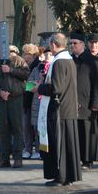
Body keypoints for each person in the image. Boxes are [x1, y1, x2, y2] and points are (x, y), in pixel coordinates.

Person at [35, 33, 82, 186]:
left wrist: (39, 88)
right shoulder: (68, 60)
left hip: (60, 110)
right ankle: (66, 175)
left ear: (54, 45)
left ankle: (61, 176)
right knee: (66, 144)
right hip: (66, 108)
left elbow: (57, 88)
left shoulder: (60, 62)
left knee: (60, 144)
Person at [0, 40, 30, 169]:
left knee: (17, 128)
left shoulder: (18, 60)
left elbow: (26, 74)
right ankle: (4, 158)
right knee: (3, 128)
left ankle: (17, 158)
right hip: (1, 99)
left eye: (1, 47)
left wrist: (11, 70)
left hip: (16, 98)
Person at [69, 32, 98, 169]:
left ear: (83, 44)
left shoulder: (93, 61)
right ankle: (75, 158)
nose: (72, 46)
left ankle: (87, 160)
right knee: (74, 132)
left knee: (87, 133)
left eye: (75, 43)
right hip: (71, 103)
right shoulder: (69, 60)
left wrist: (95, 103)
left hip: (87, 103)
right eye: (71, 43)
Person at [21, 43, 41, 160]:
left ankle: (38, 149)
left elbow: (29, 85)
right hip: (26, 100)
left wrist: (27, 85)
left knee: (36, 127)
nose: (24, 56)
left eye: (26, 53)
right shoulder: (25, 66)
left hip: (35, 100)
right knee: (26, 126)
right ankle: (27, 149)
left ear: (32, 55)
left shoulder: (37, 66)